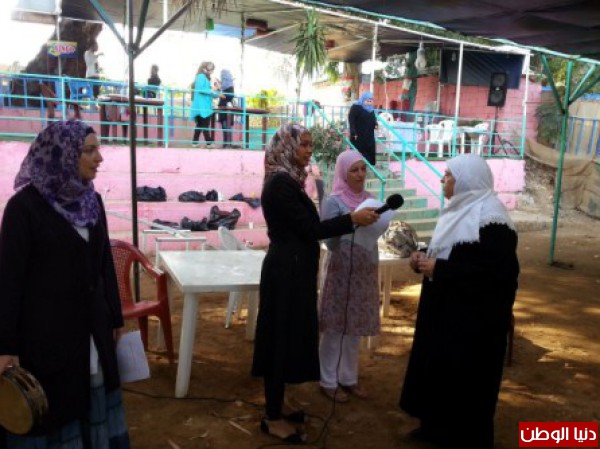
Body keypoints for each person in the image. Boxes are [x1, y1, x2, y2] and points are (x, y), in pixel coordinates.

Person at [0, 120, 130, 449]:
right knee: (57, 407)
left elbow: (104, 264)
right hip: (46, 339)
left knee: (91, 397)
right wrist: (5, 346)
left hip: (92, 329)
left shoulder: (92, 201)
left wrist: (115, 317)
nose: (99, 157)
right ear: (63, 155)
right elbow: (9, 281)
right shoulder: (23, 209)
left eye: (98, 148)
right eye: (89, 150)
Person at [251, 124, 379, 444]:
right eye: (303, 144)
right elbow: (311, 229)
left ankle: (279, 404)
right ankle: (272, 418)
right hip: (286, 274)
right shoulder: (280, 184)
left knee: (289, 337)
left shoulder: (290, 180)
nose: (309, 150)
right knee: (280, 340)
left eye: (310, 144)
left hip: (295, 271)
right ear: (286, 147)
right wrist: (352, 220)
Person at [399, 154, 519, 449]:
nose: (443, 180)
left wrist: (441, 269)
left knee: (466, 379)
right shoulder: (458, 209)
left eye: (449, 175)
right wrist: (423, 257)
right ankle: (434, 427)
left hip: (473, 323)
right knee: (439, 370)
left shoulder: (494, 221)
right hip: (445, 314)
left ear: (467, 180)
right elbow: (447, 249)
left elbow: (496, 274)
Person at [318, 150, 380, 402]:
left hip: (365, 269)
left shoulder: (372, 200)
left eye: (363, 169)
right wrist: (352, 221)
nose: (360, 174)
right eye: (354, 170)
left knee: (354, 327)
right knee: (335, 327)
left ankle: (348, 378)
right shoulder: (333, 202)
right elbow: (328, 239)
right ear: (344, 173)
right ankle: (328, 380)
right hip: (340, 269)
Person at [190, 61, 220, 148]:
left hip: (204, 106)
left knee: (200, 125)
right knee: (204, 125)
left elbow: (211, 93)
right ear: (204, 68)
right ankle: (209, 143)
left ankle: (195, 142)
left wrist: (217, 91)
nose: (212, 71)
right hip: (202, 106)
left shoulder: (206, 78)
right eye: (210, 68)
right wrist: (213, 89)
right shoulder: (201, 76)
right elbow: (200, 89)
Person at [348, 91, 377, 166]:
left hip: (369, 135)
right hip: (358, 134)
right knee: (357, 151)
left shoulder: (371, 109)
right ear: (363, 99)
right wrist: (353, 132)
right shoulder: (356, 107)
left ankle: (368, 165)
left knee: (369, 151)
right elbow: (351, 119)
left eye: (371, 100)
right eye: (367, 100)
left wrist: (376, 124)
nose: (369, 102)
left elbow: (373, 119)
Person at [217, 69, 235, 148]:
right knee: (225, 127)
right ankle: (226, 143)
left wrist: (220, 91)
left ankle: (228, 144)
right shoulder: (224, 86)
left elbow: (229, 96)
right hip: (223, 109)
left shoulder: (229, 86)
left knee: (227, 126)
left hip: (227, 109)